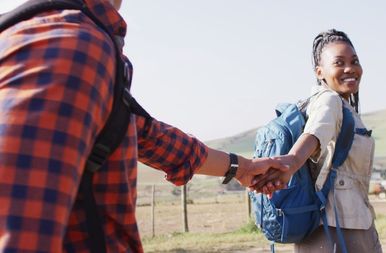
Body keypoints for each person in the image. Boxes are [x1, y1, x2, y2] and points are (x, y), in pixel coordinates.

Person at [0, 0, 285, 252]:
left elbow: (146, 136)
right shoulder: (70, 44)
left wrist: (243, 168)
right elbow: (18, 224)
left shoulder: (65, 35)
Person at [252, 29, 383, 252]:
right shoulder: (329, 100)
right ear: (320, 72)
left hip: (345, 225)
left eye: (354, 61)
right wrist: (291, 163)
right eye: (339, 63)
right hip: (337, 230)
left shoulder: (343, 107)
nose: (349, 68)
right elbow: (315, 133)